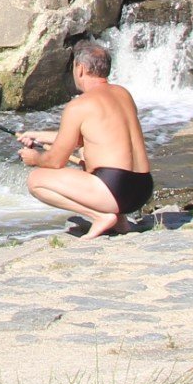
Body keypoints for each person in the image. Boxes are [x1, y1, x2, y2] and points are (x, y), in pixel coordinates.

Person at [17, 39, 153, 239]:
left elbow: (56, 162)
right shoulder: (123, 94)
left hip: (114, 190)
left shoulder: (79, 105)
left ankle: (100, 216)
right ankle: (121, 221)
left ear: (80, 69)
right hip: (142, 189)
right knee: (85, 153)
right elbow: (93, 136)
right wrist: (38, 135)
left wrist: (35, 158)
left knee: (36, 180)